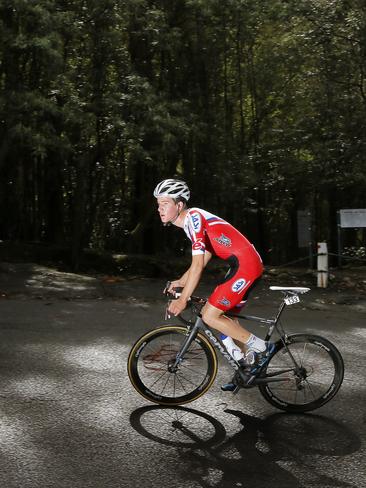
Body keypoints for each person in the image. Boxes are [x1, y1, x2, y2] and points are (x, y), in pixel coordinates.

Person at [153, 178, 274, 389]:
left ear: (179, 205)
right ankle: (246, 369)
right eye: (158, 205)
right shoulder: (190, 224)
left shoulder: (194, 218)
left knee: (210, 315)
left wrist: (182, 300)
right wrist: (180, 282)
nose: (160, 209)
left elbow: (198, 265)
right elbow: (206, 255)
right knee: (224, 318)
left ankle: (264, 348)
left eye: (165, 204)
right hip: (242, 265)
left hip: (246, 266)